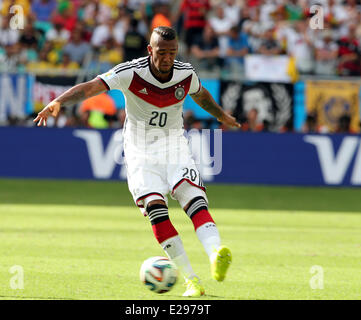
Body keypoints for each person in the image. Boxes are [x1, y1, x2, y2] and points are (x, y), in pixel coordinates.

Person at [34, 26, 239, 297]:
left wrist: (221, 115)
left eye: (173, 52)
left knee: (193, 199)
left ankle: (215, 255)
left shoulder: (185, 73)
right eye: (162, 52)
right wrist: (59, 101)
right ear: (150, 50)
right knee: (157, 211)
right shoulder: (130, 72)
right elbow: (91, 87)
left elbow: (200, 95)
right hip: (140, 152)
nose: (168, 58)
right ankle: (192, 280)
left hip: (174, 146)